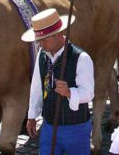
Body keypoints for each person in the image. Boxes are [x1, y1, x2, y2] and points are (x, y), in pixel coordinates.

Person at [24, 9, 94, 154]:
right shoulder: (42, 56)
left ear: (58, 35)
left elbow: (88, 93)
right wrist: (32, 115)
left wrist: (69, 92)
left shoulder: (81, 58)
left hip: (76, 128)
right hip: (49, 126)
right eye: (39, 41)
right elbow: (37, 87)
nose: (41, 45)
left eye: (44, 40)